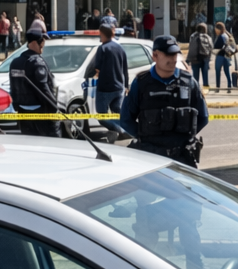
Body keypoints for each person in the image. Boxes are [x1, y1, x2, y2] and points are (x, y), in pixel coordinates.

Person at [120, 35, 208, 166]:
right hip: (150, 157)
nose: (173, 59)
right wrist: (145, 138)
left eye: (175, 54)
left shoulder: (189, 82)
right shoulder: (141, 83)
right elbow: (126, 120)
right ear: (154, 55)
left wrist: (183, 139)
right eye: (168, 54)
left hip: (182, 157)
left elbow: (203, 117)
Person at [9, 26, 60, 138]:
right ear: (37, 42)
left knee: (30, 147)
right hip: (41, 114)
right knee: (54, 146)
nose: (43, 45)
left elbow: (13, 88)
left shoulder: (15, 62)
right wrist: (55, 109)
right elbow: (44, 90)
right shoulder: (38, 62)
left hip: (23, 113)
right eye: (43, 41)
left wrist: (17, 106)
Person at [85, 24, 129, 144]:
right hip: (119, 88)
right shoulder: (120, 48)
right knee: (118, 112)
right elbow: (125, 69)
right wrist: (127, 86)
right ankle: (125, 130)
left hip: (105, 88)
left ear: (102, 34)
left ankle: (119, 130)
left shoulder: (102, 49)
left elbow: (97, 68)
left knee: (101, 116)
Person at [186, 22, 213, 88]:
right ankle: (206, 89)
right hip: (205, 58)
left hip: (195, 59)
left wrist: (188, 60)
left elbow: (191, 48)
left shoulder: (193, 36)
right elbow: (211, 47)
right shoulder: (208, 37)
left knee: (195, 77)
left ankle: (196, 89)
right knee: (205, 75)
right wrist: (208, 59)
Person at [213, 21, 236, 90]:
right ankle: (230, 84)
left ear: (218, 29)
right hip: (227, 56)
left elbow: (217, 46)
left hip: (220, 55)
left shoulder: (221, 36)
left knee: (218, 71)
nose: (215, 30)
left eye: (216, 29)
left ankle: (218, 85)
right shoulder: (227, 35)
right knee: (227, 71)